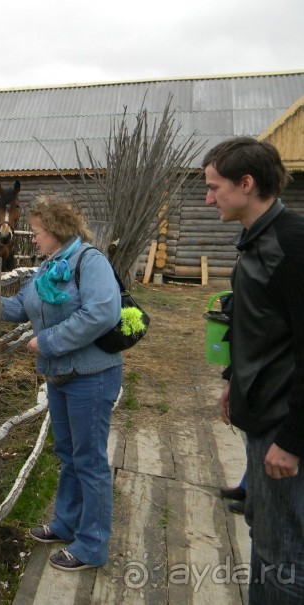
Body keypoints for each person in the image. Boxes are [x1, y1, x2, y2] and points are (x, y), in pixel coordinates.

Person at [204, 136, 304, 603]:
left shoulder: (291, 246)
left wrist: (293, 440)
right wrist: (232, 381)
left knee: (283, 551)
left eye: (214, 187)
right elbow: (256, 327)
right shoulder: (255, 241)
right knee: (263, 529)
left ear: (246, 183)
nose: (209, 199)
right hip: (262, 414)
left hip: (283, 425)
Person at [1, 197, 123, 571]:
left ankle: (92, 545)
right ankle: (67, 523)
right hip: (61, 376)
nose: (33, 238)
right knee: (69, 453)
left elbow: (102, 312)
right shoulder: (48, 267)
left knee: (90, 460)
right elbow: (19, 307)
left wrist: (48, 341)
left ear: (56, 230)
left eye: (37, 231)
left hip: (92, 377)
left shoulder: (90, 262)